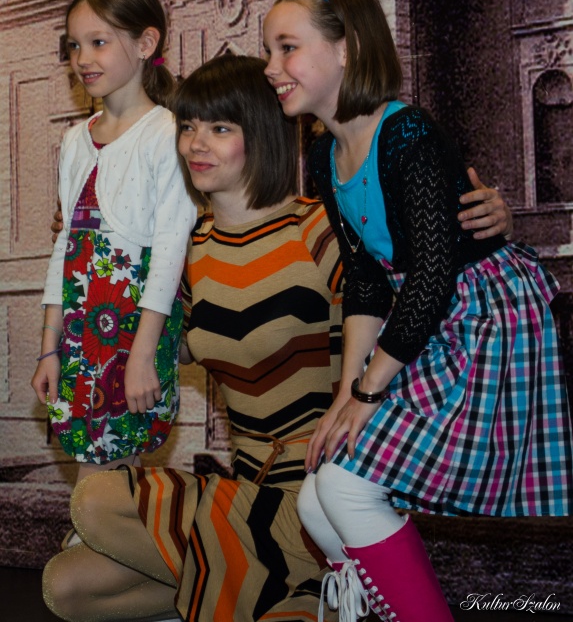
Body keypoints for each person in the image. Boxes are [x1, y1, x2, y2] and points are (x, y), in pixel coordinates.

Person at [42, 54, 511, 622]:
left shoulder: (317, 228)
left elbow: (416, 295)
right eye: (188, 126)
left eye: (220, 128)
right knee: (67, 586)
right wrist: (93, 241)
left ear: (262, 133)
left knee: (98, 502)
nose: (196, 143)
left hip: (316, 497)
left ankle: (303, 585)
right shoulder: (186, 252)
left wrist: (486, 228)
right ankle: (294, 598)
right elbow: (160, 344)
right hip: (245, 493)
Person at [263, 0, 573, 622]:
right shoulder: (323, 156)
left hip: (481, 318)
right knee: (316, 503)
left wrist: (368, 393)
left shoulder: (406, 135)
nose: (272, 67)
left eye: (287, 47)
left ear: (346, 49)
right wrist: (345, 395)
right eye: (270, 51)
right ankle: (379, 604)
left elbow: (433, 276)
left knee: (345, 490)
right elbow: (367, 280)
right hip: (418, 321)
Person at [31, 0, 196, 487]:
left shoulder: (168, 133)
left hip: (131, 326)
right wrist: (50, 346)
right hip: (80, 327)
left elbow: (169, 249)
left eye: (98, 42)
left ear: (145, 44)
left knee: (110, 472)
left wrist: (142, 354)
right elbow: (65, 247)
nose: (83, 58)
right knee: (97, 475)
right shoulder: (74, 140)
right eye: (74, 45)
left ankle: (116, 537)